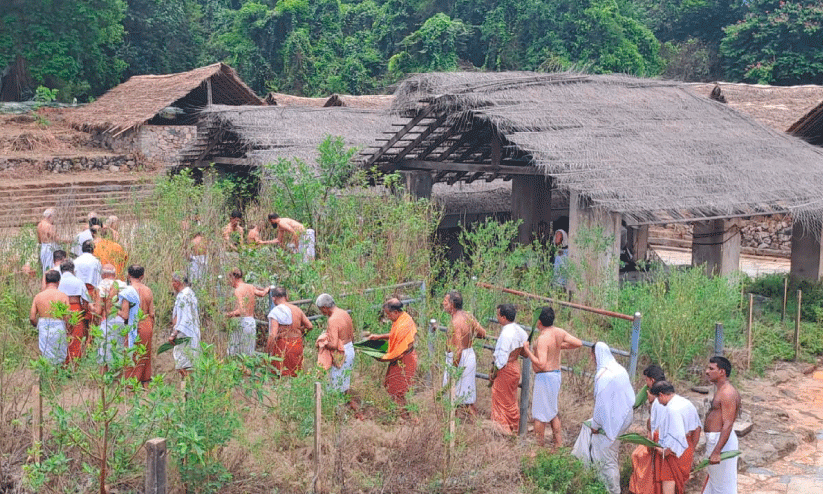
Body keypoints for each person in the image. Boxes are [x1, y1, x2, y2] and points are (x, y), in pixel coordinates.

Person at [572, 342, 635, 494]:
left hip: (611, 423)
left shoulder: (603, 376)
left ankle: (611, 490)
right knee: (611, 455)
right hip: (624, 417)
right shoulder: (619, 369)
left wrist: (595, 425)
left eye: (592, 355)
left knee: (606, 460)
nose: (592, 359)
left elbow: (600, 406)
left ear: (596, 354)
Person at [522, 306, 583, 448]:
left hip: (545, 377)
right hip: (556, 375)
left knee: (539, 415)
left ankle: (539, 447)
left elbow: (542, 364)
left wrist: (527, 351)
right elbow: (578, 343)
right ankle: (558, 444)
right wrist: (559, 346)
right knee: (552, 411)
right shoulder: (558, 332)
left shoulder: (543, 339)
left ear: (539, 321)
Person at [649, 381, 701, 494]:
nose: (658, 401)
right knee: (680, 486)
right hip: (687, 446)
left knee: (669, 482)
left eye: (658, 398)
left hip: (674, 452)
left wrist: (664, 451)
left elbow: (676, 436)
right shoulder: (686, 403)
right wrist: (692, 447)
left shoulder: (671, 409)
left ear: (661, 395)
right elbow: (697, 427)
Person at [441, 290, 487, 415]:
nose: (443, 303)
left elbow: (458, 349)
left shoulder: (456, 322)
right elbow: (482, 334)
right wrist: (469, 335)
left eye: (445, 301)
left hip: (459, 359)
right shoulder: (468, 316)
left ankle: (454, 426)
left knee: (456, 396)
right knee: (465, 397)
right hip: (468, 355)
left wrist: (454, 371)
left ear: (452, 304)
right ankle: (457, 426)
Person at [368, 298, 418, 408]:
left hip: (404, 359)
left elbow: (398, 352)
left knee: (398, 391)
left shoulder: (403, 324)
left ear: (395, 312)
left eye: (388, 314)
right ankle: (404, 415)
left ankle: (406, 418)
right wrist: (379, 336)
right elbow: (394, 336)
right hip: (401, 358)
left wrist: (382, 358)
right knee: (393, 388)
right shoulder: (402, 318)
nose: (388, 318)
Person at [702, 356, 740, 494]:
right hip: (716, 440)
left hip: (721, 441)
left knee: (723, 487)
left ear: (722, 372)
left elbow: (728, 424)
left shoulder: (727, 393)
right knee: (714, 484)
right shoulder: (721, 390)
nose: (707, 371)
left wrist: (717, 451)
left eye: (711, 369)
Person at [630, 364, 668, 494]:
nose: (645, 383)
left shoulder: (659, 397)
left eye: (646, 380)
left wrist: (652, 402)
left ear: (652, 380)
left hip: (658, 438)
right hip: (655, 436)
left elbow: (657, 420)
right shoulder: (665, 391)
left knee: (639, 457)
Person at [490, 303, 528, 434]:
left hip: (506, 368)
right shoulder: (520, 331)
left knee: (501, 399)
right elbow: (525, 351)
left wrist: (494, 373)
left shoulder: (506, 334)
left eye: (498, 315)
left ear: (504, 317)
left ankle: (503, 430)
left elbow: (501, 360)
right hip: (515, 366)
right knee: (510, 399)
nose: (497, 317)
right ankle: (512, 426)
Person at [315, 294, 355, 393]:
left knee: (335, 385)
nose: (322, 313)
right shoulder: (344, 313)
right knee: (345, 382)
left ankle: (338, 407)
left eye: (321, 310)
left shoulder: (332, 320)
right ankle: (348, 405)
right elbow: (352, 335)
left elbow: (333, 344)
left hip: (340, 353)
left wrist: (322, 342)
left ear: (324, 307)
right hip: (350, 348)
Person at [224, 268, 269, 357]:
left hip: (242, 323)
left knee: (235, 353)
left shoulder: (238, 290)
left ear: (233, 277)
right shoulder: (250, 287)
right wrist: (268, 289)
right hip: (251, 322)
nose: (229, 282)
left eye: (229, 279)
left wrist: (226, 315)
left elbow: (241, 311)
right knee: (248, 352)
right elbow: (262, 294)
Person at [268, 287, 313, 376]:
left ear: (273, 298)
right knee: (296, 373)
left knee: (280, 375)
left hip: (283, 346)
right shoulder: (297, 309)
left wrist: (267, 352)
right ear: (287, 297)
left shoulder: (275, 311)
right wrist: (299, 331)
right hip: (297, 344)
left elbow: (273, 335)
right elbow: (310, 326)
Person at [30, 270, 70, 365]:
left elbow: (32, 317)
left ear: (46, 281)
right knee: (59, 354)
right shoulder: (63, 296)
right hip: (59, 325)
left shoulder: (38, 296)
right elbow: (67, 317)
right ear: (58, 282)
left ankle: (47, 377)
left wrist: (37, 325)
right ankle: (57, 377)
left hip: (44, 325)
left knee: (45, 354)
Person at [125, 265, 156, 386]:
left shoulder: (128, 290)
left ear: (128, 275)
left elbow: (125, 313)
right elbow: (152, 313)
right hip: (146, 322)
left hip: (133, 323)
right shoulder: (148, 290)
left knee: (131, 352)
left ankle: (131, 383)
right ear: (142, 276)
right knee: (145, 353)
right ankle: (145, 382)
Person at [58, 259, 92, 362]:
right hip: (76, 308)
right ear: (73, 270)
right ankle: (74, 362)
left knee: (63, 336)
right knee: (76, 336)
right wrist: (85, 312)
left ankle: (63, 362)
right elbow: (86, 300)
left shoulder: (59, 282)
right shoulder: (79, 281)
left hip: (61, 309)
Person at [170, 273, 201, 378]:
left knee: (184, 365)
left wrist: (174, 334)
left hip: (185, 333)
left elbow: (184, 318)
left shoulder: (184, 296)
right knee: (187, 364)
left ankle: (186, 391)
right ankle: (186, 390)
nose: (172, 284)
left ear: (178, 282)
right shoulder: (190, 294)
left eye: (173, 282)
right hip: (192, 332)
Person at [96, 264, 124, 366]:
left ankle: (104, 379)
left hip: (107, 320)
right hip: (121, 321)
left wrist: (91, 307)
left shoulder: (102, 285)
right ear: (115, 274)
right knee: (119, 352)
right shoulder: (122, 285)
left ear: (103, 275)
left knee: (104, 356)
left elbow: (98, 310)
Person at [37, 208, 60, 273]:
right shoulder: (49, 226)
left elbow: (39, 239)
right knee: (52, 267)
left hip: (43, 247)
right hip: (50, 247)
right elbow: (56, 238)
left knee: (45, 267)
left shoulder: (39, 225)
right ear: (50, 216)